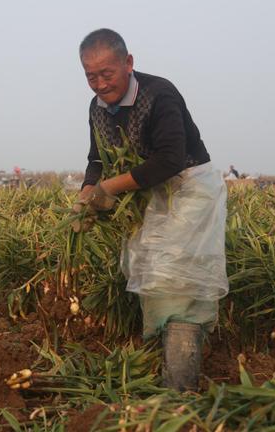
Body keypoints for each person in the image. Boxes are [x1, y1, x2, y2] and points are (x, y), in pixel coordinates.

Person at [73, 29, 228, 391]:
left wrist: (108, 188)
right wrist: (86, 194)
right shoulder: (97, 109)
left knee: (177, 277)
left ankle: (180, 388)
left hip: (188, 189)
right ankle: (161, 365)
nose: (98, 84)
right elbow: (97, 158)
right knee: (148, 272)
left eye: (106, 74)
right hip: (146, 193)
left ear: (128, 63)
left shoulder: (159, 95)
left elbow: (170, 159)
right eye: (90, 76)